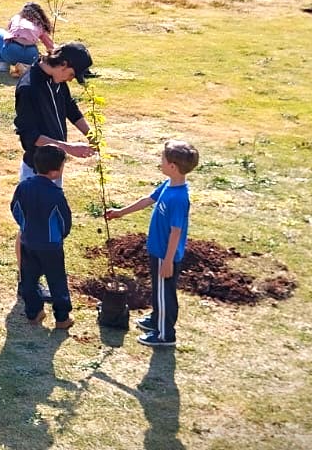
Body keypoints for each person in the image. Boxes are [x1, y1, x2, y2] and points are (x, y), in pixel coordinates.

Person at [105, 140, 199, 348]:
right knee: (158, 290)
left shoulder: (179, 198)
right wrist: (121, 212)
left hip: (166, 256)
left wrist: (167, 261)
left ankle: (165, 335)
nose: (160, 162)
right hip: (157, 251)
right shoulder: (169, 185)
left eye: (163, 159)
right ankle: (157, 319)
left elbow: (176, 232)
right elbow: (147, 199)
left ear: (172, 167)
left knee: (166, 293)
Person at [12, 145, 75, 330]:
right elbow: (65, 220)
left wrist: (24, 227)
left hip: (28, 242)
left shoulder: (23, 187)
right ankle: (62, 318)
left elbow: (15, 209)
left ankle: (34, 312)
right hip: (51, 246)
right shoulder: (56, 194)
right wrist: (60, 235)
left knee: (29, 279)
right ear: (56, 172)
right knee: (57, 281)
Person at [13, 43, 96, 180]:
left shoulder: (56, 77)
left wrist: (90, 135)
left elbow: (70, 107)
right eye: (72, 74)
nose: (70, 79)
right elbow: (30, 135)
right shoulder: (28, 88)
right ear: (63, 64)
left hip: (56, 166)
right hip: (37, 171)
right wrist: (69, 148)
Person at [0, 2, 56, 76]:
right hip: (31, 55)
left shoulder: (17, 18)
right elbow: (50, 46)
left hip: (12, 52)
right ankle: (26, 67)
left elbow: (8, 34)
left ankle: (2, 65)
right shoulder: (40, 24)